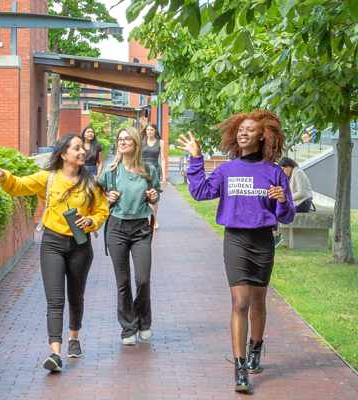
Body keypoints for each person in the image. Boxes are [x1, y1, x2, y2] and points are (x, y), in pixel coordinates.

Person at [177, 109, 296, 392]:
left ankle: (256, 348)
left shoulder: (275, 172)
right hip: (236, 241)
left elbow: (288, 216)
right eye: (240, 129)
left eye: (250, 129)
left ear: (263, 136)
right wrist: (196, 159)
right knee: (240, 302)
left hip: (263, 242)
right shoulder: (226, 170)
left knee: (258, 302)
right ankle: (240, 368)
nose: (243, 132)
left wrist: (281, 201)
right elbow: (201, 192)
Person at [0, 134, 109, 373]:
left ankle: (74, 338)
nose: (82, 151)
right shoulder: (48, 178)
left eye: (82, 148)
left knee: (76, 296)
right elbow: (20, 186)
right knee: (54, 301)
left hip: (80, 246)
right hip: (52, 244)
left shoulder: (92, 183)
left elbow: (102, 212)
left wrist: (91, 221)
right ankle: (55, 353)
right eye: (77, 148)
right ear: (64, 154)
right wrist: (4, 177)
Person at [99, 126, 162, 346]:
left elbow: (154, 198)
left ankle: (144, 323)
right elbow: (99, 202)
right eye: (120, 139)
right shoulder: (110, 171)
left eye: (127, 139)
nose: (123, 142)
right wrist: (109, 199)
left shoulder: (148, 170)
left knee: (143, 280)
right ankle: (129, 328)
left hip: (140, 229)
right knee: (123, 282)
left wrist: (153, 197)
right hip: (116, 228)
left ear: (136, 143)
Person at [141, 122, 168, 229]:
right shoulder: (142, 142)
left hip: (155, 171)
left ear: (155, 130)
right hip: (142, 170)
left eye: (151, 130)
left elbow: (162, 160)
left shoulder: (160, 142)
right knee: (144, 195)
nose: (149, 132)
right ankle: (147, 219)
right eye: (148, 130)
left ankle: (154, 218)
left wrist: (164, 176)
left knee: (154, 195)